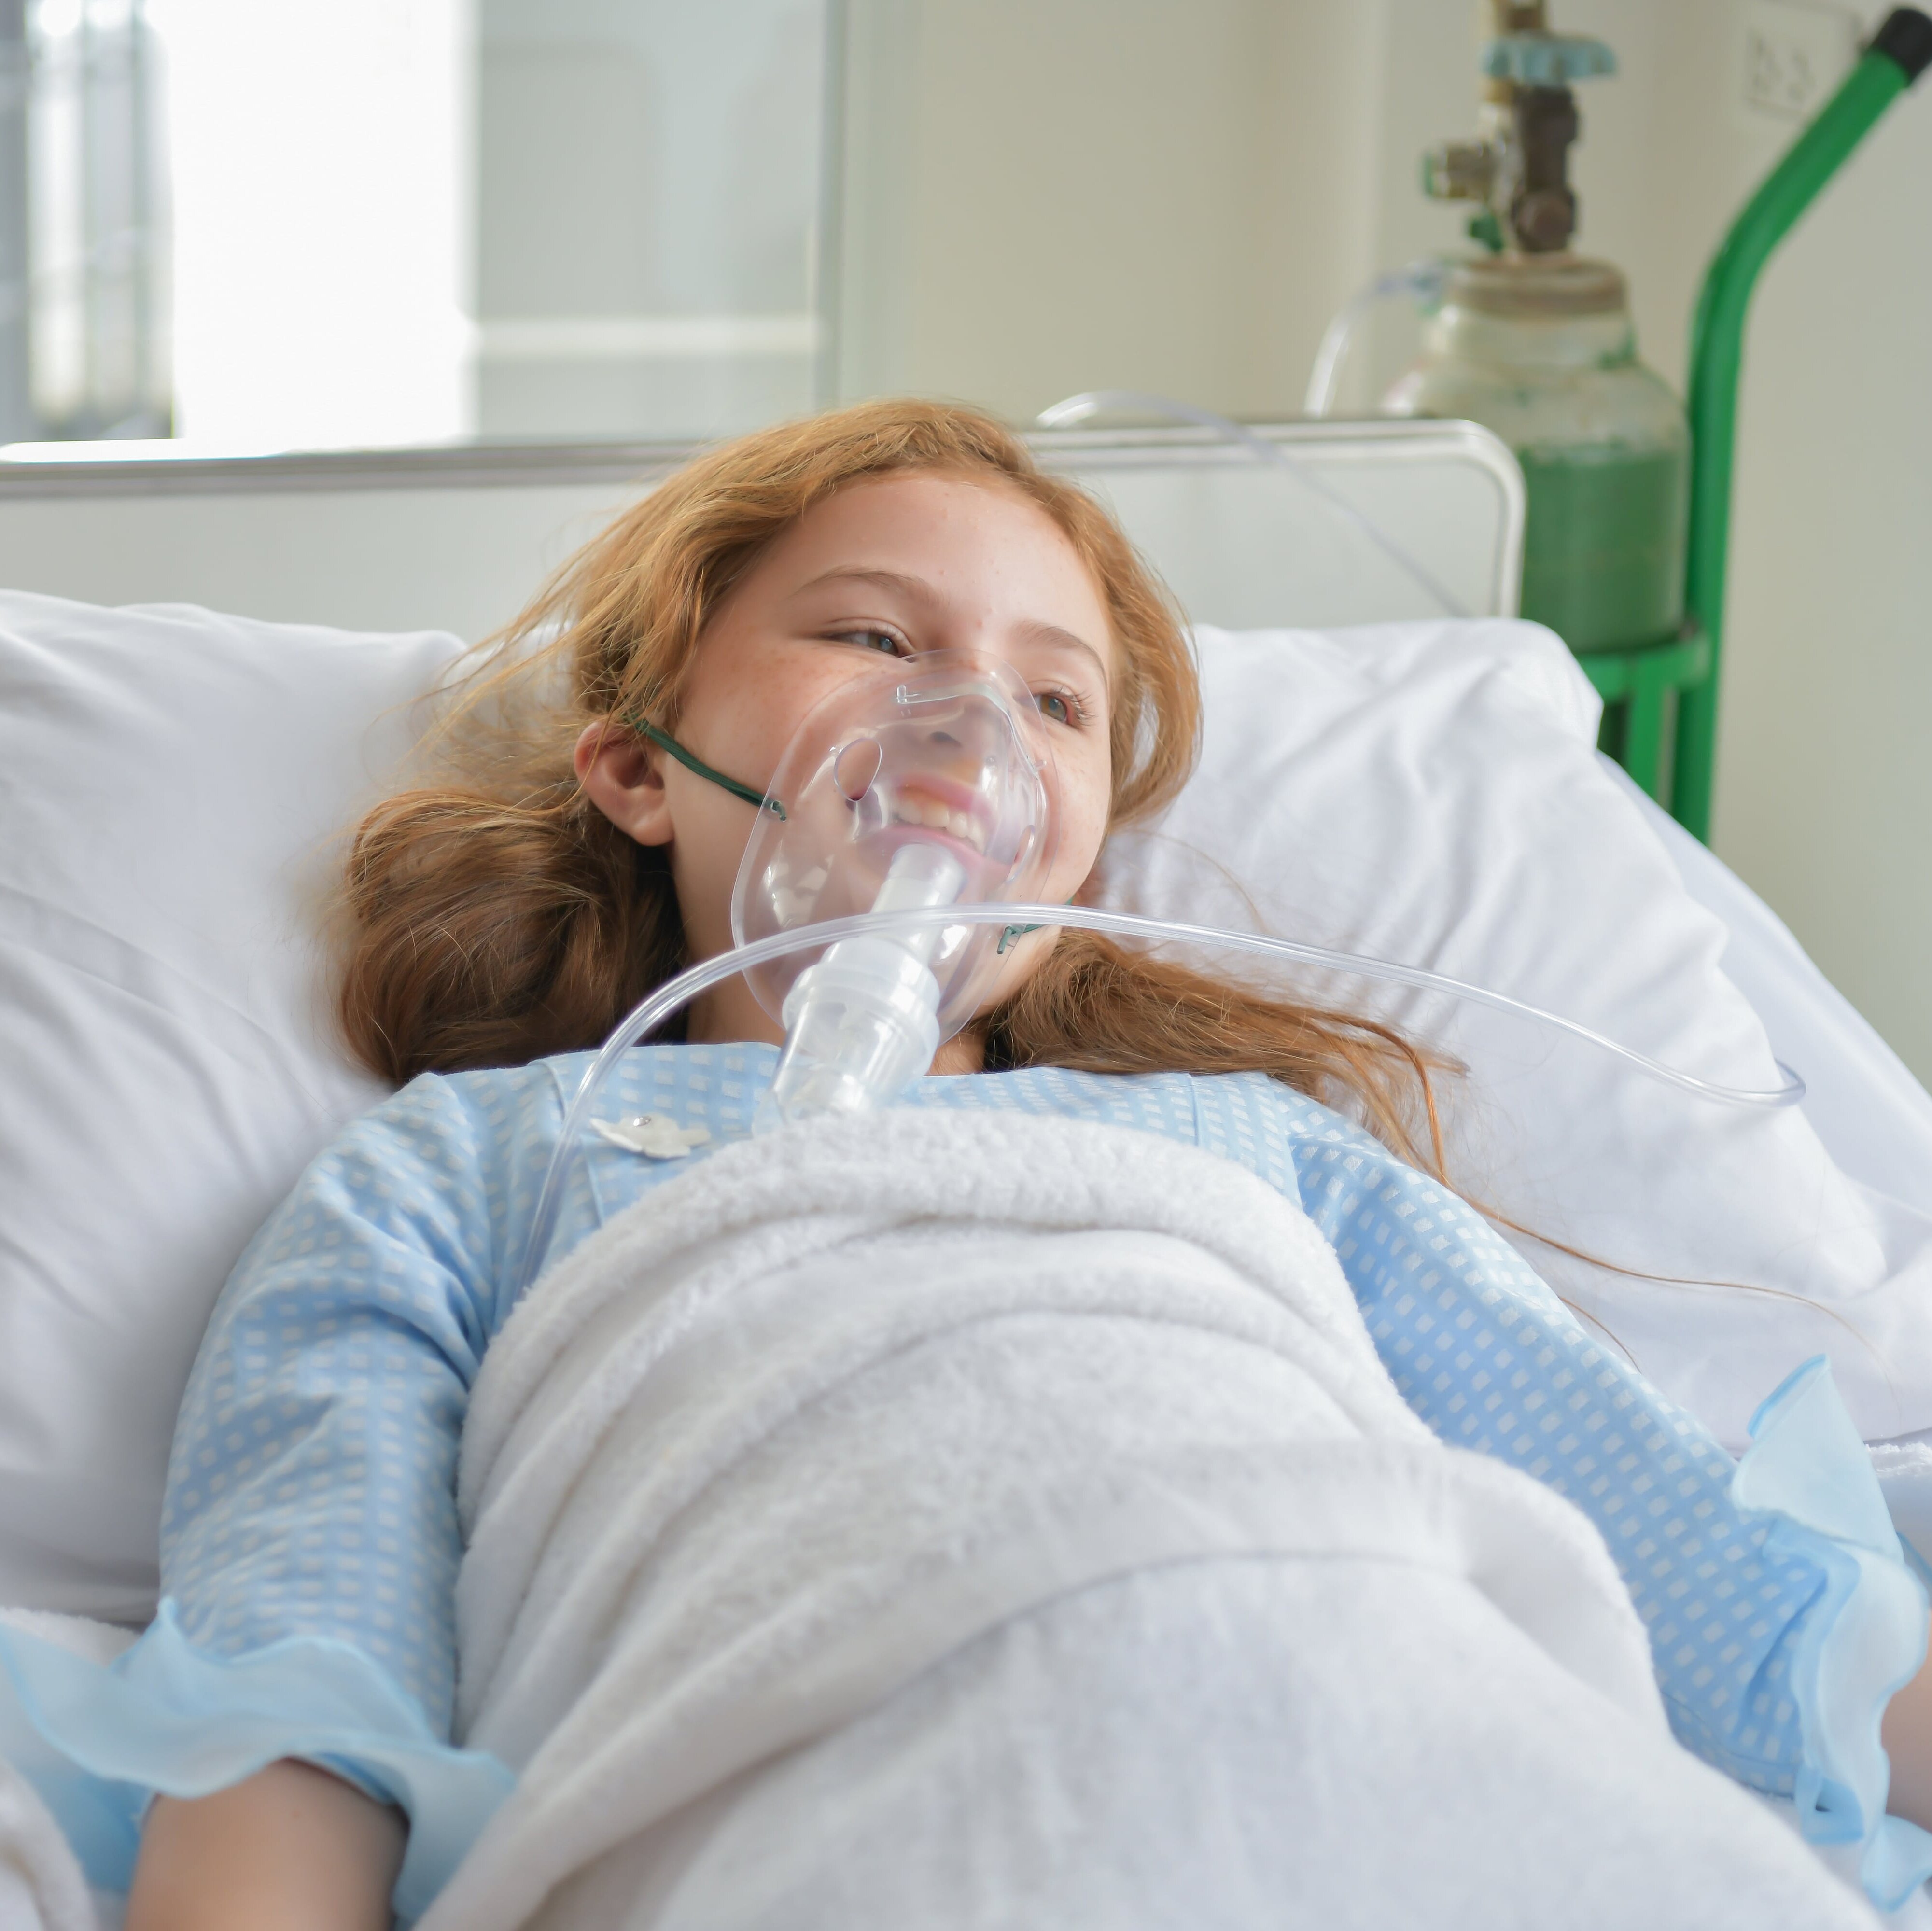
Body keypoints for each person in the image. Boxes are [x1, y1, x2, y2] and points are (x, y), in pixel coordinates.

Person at [9, 401, 1929, 1929]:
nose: (969, 724)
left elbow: (1696, 1560)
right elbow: (297, 1674)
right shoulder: (464, 1166)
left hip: (1387, 1699)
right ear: (638, 766)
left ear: (1079, 848)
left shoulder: (1251, 1147)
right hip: (827, 1780)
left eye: (1056, 699)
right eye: (871, 636)